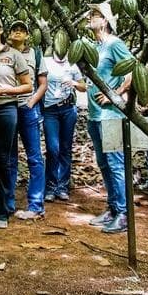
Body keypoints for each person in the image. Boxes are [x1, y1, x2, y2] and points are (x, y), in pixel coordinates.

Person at [0, 15, 32, 229]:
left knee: (3, 159)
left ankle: (0, 212)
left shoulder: (13, 54)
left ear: (0, 30)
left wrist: (3, 90)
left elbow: (27, 86)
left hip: (6, 108)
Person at [84, 2, 131, 234]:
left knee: (115, 163)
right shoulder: (95, 47)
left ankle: (123, 214)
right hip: (94, 114)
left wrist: (115, 94)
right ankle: (112, 208)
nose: (90, 18)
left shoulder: (115, 44)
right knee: (103, 164)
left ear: (105, 21)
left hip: (111, 115)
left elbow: (133, 71)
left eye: (95, 15)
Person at [6, 20, 47, 220]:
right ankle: (8, 203)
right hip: (8, 109)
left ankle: (36, 204)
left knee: (34, 157)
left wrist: (31, 102)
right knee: (9, 158)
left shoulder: (35, 54)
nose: (18, 33)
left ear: (27, 36)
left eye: (22, 30)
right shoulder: (3, 53)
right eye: (15, 30)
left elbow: (42, 84)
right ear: (9, 33)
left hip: (28, 109)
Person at [41, 46, 85, 202]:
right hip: (50, 110)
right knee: (53, 148)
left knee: (65, 148)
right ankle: (50, 186)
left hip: (67, 109)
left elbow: (83, 87)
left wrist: (73, 82)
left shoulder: (71, 63)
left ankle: (62, 187)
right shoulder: (45, 61)